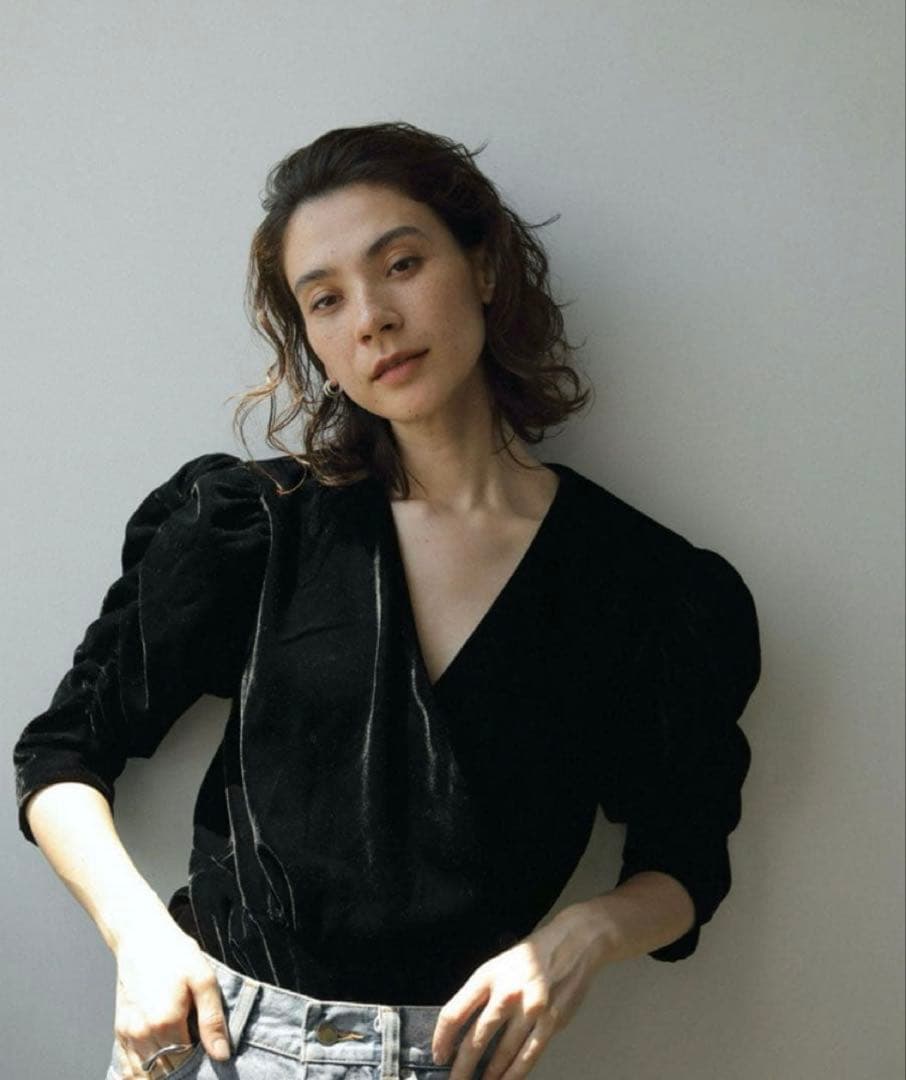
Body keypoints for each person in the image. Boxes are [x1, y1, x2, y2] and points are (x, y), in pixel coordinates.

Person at [12, 121, 762, 1080]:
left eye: (401, 264)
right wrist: (139, 939)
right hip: (220, 1042)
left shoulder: (646, 586)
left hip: (457, 1057)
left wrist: (585, 932)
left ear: (482, 268)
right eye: (325, 299)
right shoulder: (256, 527)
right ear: (315, 341)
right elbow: (62, 754)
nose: (371, 318)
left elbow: (684, 857)